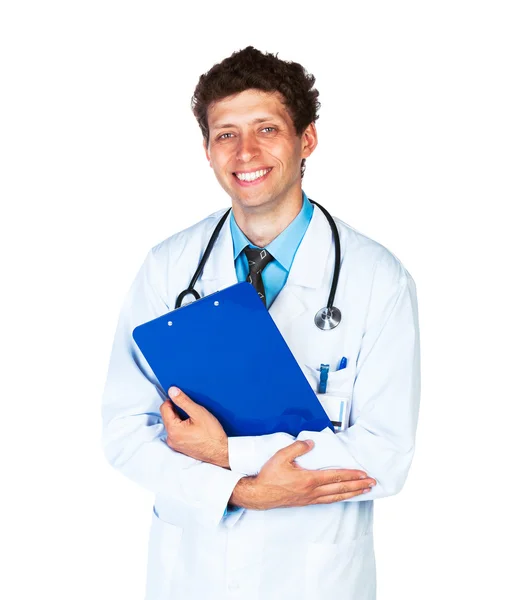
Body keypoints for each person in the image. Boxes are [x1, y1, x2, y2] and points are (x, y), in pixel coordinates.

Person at [102, 46, 421, 600]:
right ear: (206, 149)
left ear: (307, 140)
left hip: (315, 578)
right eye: (226, 133)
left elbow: (384, 459)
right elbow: (126, 432)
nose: (245, 151)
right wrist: (246, 492)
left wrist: (226, 456)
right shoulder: (168, 268)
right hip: (192, 573)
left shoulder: (378, 280)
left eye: (266, 128)